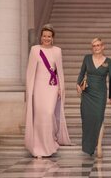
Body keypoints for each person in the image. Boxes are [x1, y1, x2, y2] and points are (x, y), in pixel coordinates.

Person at [25, 24, 71, 158]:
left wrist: (61, 88)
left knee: (49, 113)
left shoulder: (57, 50)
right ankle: (38, 147)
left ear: (52, 38)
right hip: (38, 88)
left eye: (49, 36)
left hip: (52, 86)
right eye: (44, 36)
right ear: (41, 37)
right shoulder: (34, 50)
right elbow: (30, 71)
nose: (46, 38)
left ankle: (50, 143)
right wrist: (30, 90)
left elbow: (59, 71)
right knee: (40, 116)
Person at [76, 38, 111, 158]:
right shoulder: (87, 58)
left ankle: (99, 146)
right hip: (87, 93)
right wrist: (78, 85)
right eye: (94, 46)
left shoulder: (109, 61)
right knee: (87, 119)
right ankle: (89, 146)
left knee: (99, 118)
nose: (96, 47)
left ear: (103, 46)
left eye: (98, 45)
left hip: (100, 94)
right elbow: (82, 73)